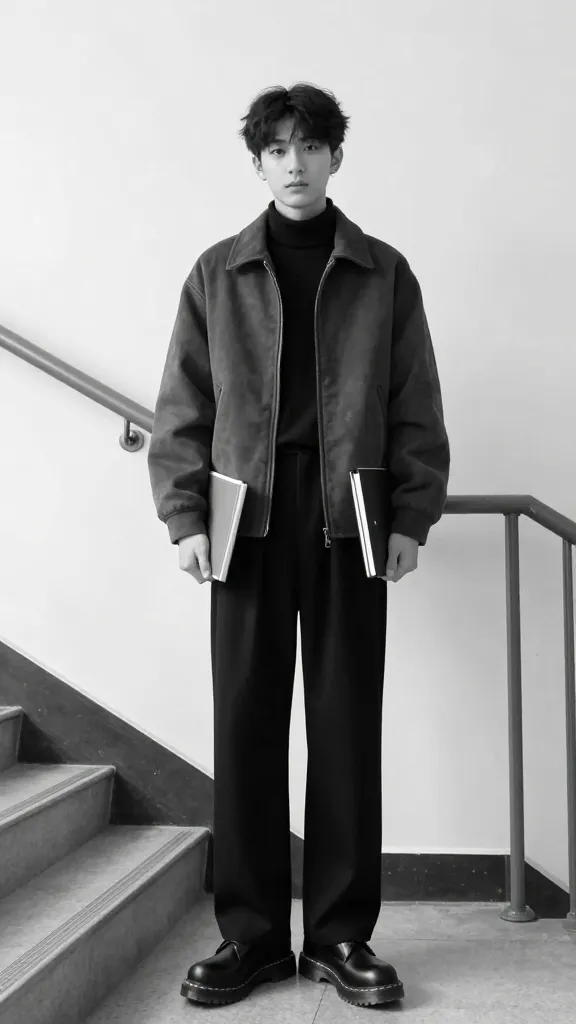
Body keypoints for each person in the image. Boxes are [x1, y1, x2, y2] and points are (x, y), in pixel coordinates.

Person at [147, 82, 450, 1009]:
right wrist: (186, 515)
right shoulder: (217, 272)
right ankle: (250, 938)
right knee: (244, 728)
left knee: (347, 730)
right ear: (256, 162)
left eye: (309, 146)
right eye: (276, 148)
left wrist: (410, 515)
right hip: (247, 524)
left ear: (335, 157)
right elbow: (183, 406)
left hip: (351, 521)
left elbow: (413, 402)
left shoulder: (383, 271)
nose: (293, 162)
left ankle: (340, 937)